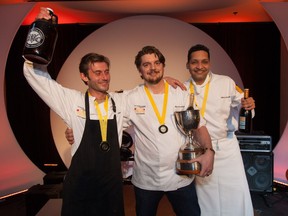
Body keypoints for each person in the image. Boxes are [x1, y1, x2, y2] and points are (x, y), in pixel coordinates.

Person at [66, 46, 215, 216]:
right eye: (146, 65)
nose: (153, 68)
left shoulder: (181, 94)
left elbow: (199, 125)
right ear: (140, 70)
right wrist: (76, 131)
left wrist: (209, 151)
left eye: (157, 63)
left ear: (163, 66)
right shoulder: (130, 98)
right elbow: (101, 114)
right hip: (146, 181)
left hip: (180, 177)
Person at [23, 52, 126, 215]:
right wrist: (36, 54)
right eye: (98, 73)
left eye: (106, 72)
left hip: (110, 188)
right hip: (81, 187)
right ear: (84, 76)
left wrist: (164, 83)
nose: (105, 77)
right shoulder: (72, 101)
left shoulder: (120, 102)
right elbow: (41, 80)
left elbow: (145, 95)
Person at [184, 44, 255, 216]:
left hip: (227, 146)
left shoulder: (226, 82)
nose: (200, 66)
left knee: (236, 193)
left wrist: (249, 105)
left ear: (210, 63)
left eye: (204, 62)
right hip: (200, 149)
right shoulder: (182, 88)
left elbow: (244, 107)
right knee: (206, 197)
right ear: (187, 65)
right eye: (194, 62)